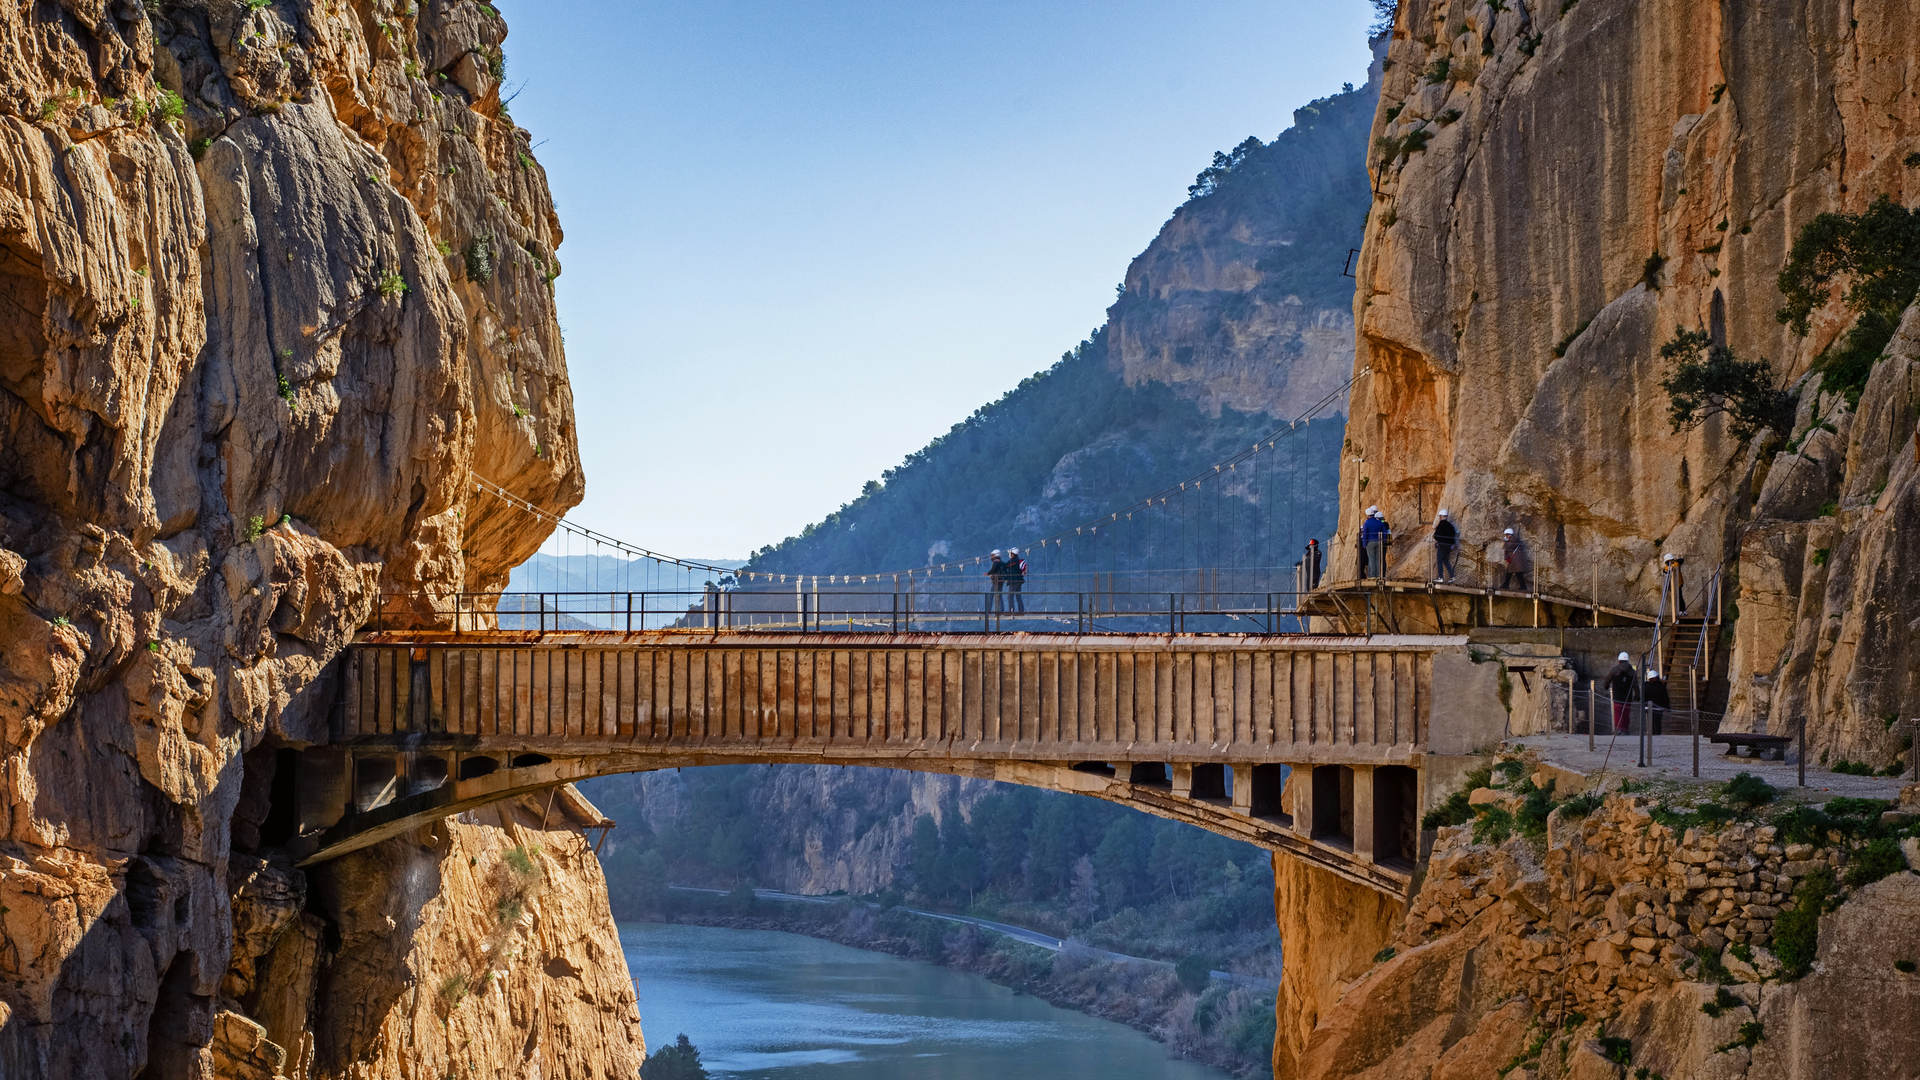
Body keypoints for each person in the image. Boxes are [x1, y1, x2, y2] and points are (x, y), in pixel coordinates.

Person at [1606, 652, 1637, 732]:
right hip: (1628, 697)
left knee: (1617, 713)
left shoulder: (1614, 670)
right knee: (1626, 714)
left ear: (1619, 660)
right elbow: (1636, 685)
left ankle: (1619, 728)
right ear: (1627, 660)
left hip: (1617, 696)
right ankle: (1625, 729)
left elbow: (1607, 680)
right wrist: (1637, 695)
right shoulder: (1632, 671)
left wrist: (1606, 686)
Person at [1361, 506, 1390, 581]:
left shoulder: (1367, 523)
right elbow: (1384, 532)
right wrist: (1383, 541)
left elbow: (1365, 534)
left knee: (1371, 559)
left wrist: (1364, 544)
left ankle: (1373, 576)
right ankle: (1378, 575)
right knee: (1378, 559)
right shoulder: (1379, 522)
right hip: (1379, 542)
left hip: (1370, 542)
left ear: (1368, 515)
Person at [1432, 508, 1458, 583]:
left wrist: (1438, 541)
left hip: (1442, 545)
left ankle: (1440, 577)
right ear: (1446, 516)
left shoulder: (1440, 526)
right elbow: (1453, 535)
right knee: (1446, 561)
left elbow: (1436, 536)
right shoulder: (1450, 526)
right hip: (1448, 546)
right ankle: (1452, 576)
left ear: (1440, 517)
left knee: (1439, 560)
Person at [1644, 667, 1670, 735]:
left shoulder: (1646, 686)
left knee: (1650, 724)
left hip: (1648, 708)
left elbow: (1644, 697)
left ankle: (1651, 737)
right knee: (1658, 723)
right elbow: (1665, 698)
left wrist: (1643, 706)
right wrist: (1667, 708)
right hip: (1659, 708)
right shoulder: (1661, 686)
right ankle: (1658, 737)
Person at [1004, 546, 1028, 612]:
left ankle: (1011, 610)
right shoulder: (1019, 561)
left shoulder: (1010, 562)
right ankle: (1021, 610)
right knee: (1018, 596)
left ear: (1011, 554)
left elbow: (1006, 570)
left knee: (1010, 596)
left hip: (1013, 581)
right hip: (1019, 581)